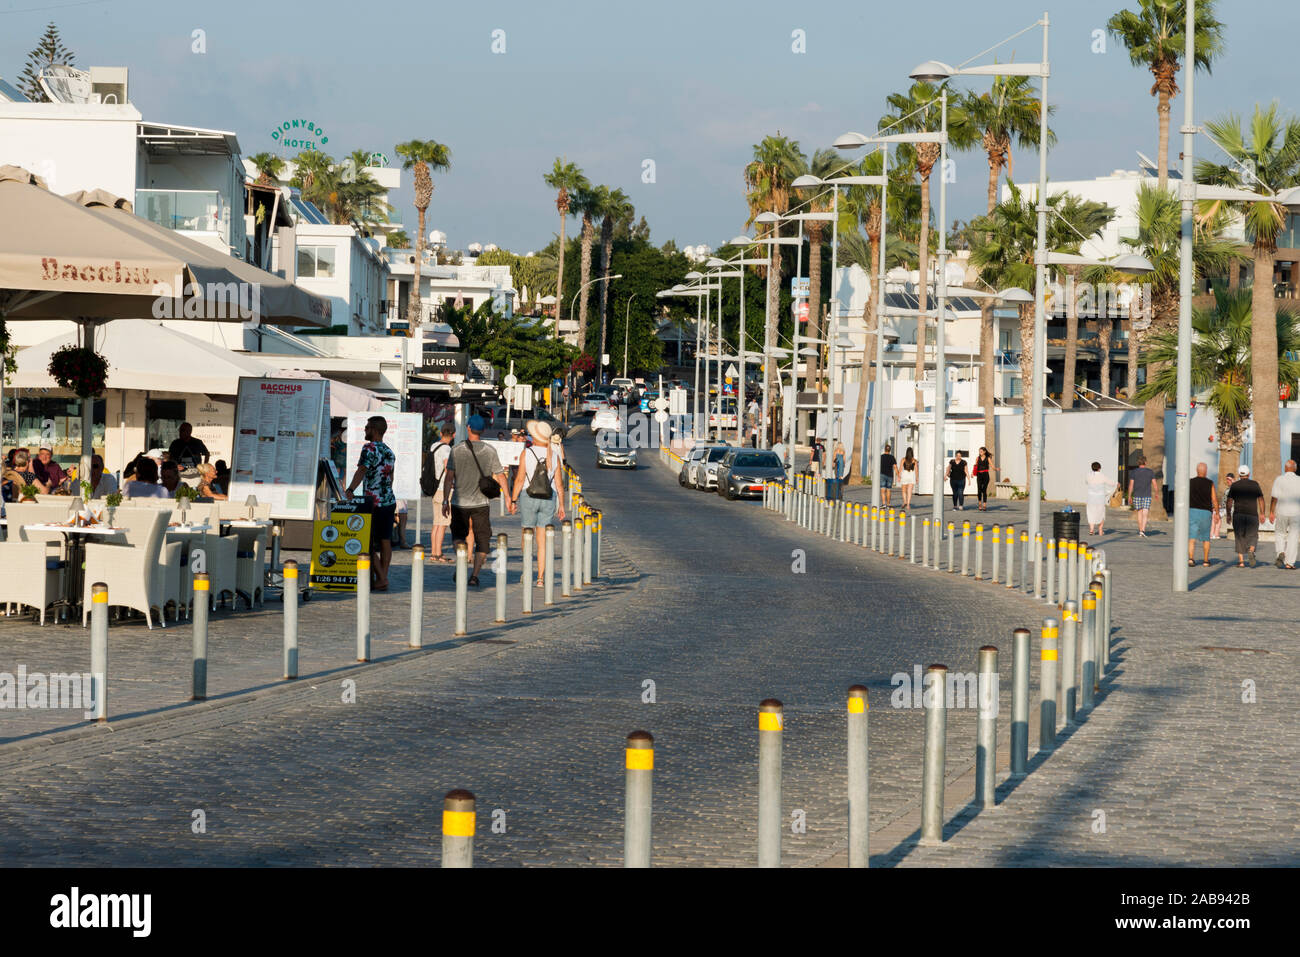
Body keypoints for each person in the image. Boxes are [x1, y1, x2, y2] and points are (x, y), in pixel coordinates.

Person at [442, 413, 513, 587]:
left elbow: (449, 477)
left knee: (458, 536)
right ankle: (474, 576)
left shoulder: (456, 450)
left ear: (468, 428)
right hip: (481, 503)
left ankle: (461, 560)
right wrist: (509, 498)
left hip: (460, 503)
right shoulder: (490, 451)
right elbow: (500, 475)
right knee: (482, 540)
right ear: (482, 430)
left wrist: (445, 500)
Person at [511, 418, 566, 587]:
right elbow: (559, 484)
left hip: (528, 496)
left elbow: (520, 479)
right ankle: (541, 578)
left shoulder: (526, 453)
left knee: (527, 536)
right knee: (542, 541)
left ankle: (527, 573)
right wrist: (562, 506)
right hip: (549, 498)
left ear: (534, 437)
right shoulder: (554, 455)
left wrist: (513, 500)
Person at [345, 415, 397, 591]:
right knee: (385, 540)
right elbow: (391, 478)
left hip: (372, 502)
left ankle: (381, 578)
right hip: (388, 500)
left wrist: (350, 489)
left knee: (366, 541)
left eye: (367, 427)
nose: (365, 430)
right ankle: (382, 578)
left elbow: (362, 470)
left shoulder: (369, 448)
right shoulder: (390, 451)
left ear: (374, 430)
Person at [1226, 465, 1264, 567]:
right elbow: (1261, 499)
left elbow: (1229, 501)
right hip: (1252, 514)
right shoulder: (1255, 484)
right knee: (1253, 535)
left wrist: (1228, 514)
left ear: (1239, 474)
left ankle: (1241, 562)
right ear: (1249, 474)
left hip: (1238, 514)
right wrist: (1262, 513)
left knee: (1239, 536)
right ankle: (1251, 550)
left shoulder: (1235, 486)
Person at [1268, 459, 1300, 570]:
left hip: (1281, 511)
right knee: (1293, 537)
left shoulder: (1279, 479)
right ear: (1295, 469)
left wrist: (1271, 512)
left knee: (1280, 533)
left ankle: (1281, 552)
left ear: (1285, 468)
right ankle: (1289, 563)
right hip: (1296, 512)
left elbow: (1274, 497)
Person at [1187, 462, 1217, 567]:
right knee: (1205, 538)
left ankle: (1191, 559)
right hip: (1206, 512)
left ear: (1197, 471)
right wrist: (1217, 512)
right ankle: (1205, 561)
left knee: (1192, 537)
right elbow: (1214, 499)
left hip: (1193, 511)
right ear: (1206, 471)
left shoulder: (1190, 482)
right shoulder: (1210, 483)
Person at [1085, 461, 1118, 536]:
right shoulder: (1102, 476)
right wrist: (1117, 483)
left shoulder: (1088, 476)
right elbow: (1111, 483)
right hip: (1100, 498)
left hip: (1091, 498)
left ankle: (1091, 529)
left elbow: (1086, 482)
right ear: (1099, 468)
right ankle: (1100, 530)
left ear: (1092, 468)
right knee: (1101, 513)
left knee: (1091, 513)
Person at [1127, 456, 1156, 538]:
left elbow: (1131, 485)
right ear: (1145, 462)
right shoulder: (1150, 472)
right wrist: (1156, 492)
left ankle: (1140, 530)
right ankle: (1143, 530)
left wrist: (1129, 496)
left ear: (1138, 463)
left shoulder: (1134, 472)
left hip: (1137, 495)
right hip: (1147, 495)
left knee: (1139, 513)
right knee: (1145, 513)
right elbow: (1154, 483)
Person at [972, 447, 999, 512]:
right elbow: (975, 466)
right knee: (979, 490)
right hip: (979, 475)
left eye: (981, 451)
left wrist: (996, 469)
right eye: (979, 451)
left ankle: (984, 505)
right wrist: (972, 473)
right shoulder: (977, 458)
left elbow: (992, 466)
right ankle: (979, 504)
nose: (980, 452)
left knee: (984, 490)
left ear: (984, 452)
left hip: (985, 475)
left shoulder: (988, 458)